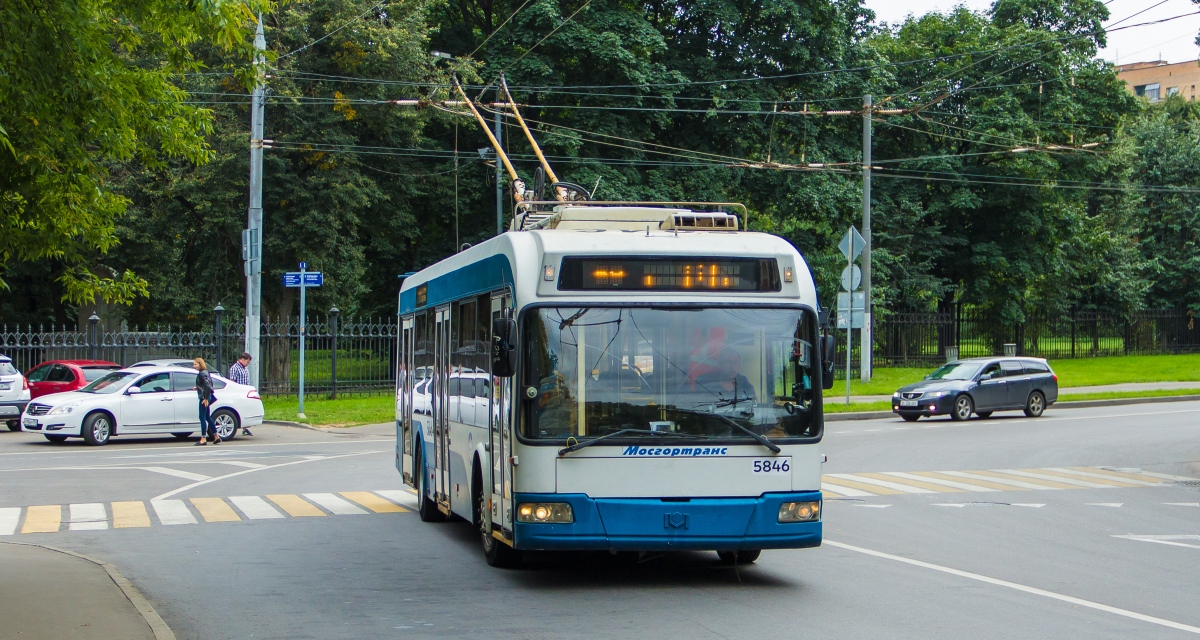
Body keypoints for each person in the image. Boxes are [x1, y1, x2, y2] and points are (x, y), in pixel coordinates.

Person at [193, 357, 219, 446]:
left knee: (202, 417)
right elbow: (208, 384)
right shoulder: (206, 372)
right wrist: (198, 387)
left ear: (200, 364)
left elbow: (207, 386)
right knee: (207, 417)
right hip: (207, 396)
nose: (194, 366)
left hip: (204, 398)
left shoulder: (201, 374)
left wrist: (206, 398)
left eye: (196, 364)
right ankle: (216, 436)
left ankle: (203, 438)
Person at [227, 352, 253, 436]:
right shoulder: (235, 368)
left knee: (246, 409)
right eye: (247, 362)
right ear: (242, 359)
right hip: (238, 392)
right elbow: (232, 381)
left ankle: (245, 428)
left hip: (245, 392)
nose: (248, 364)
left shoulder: (245, 368)